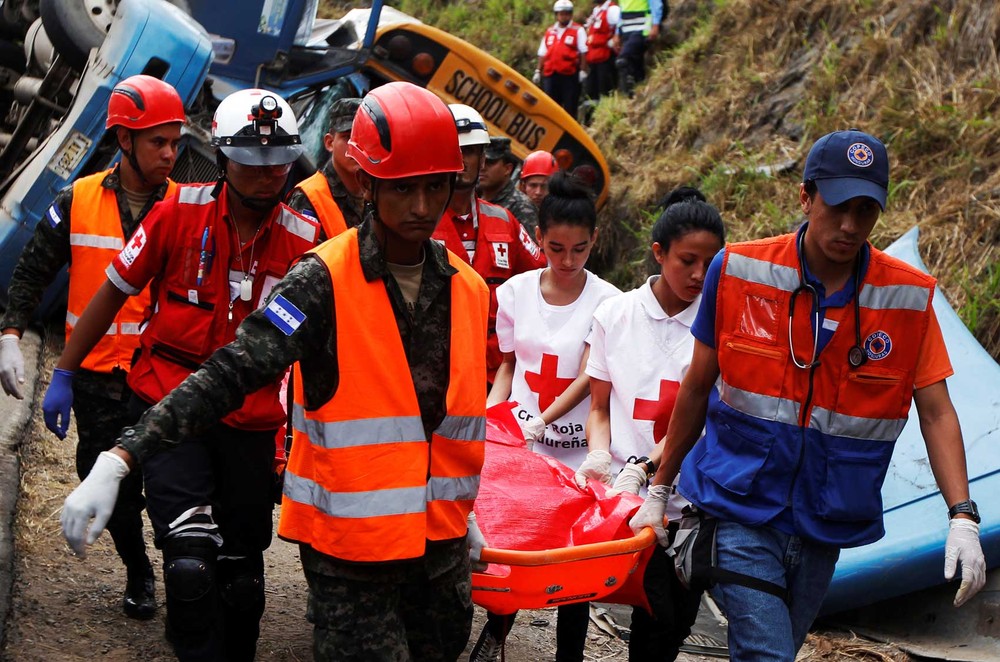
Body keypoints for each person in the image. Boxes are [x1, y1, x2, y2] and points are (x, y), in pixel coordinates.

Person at [58, 81, 490, 662]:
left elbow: (451, 423)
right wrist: (122, 456)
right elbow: (230, 372)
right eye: (403, 188)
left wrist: (465, 517)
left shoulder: (469, 290)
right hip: (353, 559)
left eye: (435, 187)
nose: (420, 207)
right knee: (201, 571)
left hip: (439, 562)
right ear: (365, 182)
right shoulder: (323, 280)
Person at [629, 130, 987, 661]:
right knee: (768, 656)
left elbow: (936, 413)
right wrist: (659, 487)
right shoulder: (738, 272)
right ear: (806, 197)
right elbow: (698, 386)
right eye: (837, 206)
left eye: (865, 211)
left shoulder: (907, 298)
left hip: (828, 519)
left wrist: (962, 516)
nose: (849, 225)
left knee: (776, 651)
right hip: (740, 509)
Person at [46, 88, 320, 661]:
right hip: (171, 414)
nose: (268, 174)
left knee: (242, 578)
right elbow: (112, 291)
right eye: (251, 159)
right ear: (222, 156)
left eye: (278, 161)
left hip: (251, 424)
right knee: (191, 564)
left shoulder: (306, 243)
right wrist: (65, 371)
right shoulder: (178, 211)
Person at [0, 74, 185, 620]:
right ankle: (139, 572)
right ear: (125, 140)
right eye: (159, 142)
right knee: (108, 483)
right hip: (98, 376)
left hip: (163, 373)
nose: (171, 154)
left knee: (172, 484)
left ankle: (186, 579)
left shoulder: (190, 207)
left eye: (176, 142)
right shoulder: (76, 200)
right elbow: (32, 272)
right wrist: (11, 334)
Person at [472, 171, 621, 662]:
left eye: (579, 249)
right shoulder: (513, 292)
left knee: (575, 560)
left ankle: (569, 656)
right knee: (518, 544)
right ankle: (494, 636)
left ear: (593, 241)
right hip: (525, 449)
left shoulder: (608, 302)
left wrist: (543, 421)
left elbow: (587, 376)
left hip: (577, 451)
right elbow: (510, 364)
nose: (567, 261)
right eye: (556, 248)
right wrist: (498, 417)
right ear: (539, 239)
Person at [586, 188, 725, 660]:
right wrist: (600, 455)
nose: (699, 274)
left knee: (668, 622)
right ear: (659, 253)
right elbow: (600, 406)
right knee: (584, 598)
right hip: (619, 499)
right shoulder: (615, 315)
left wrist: (647, 466)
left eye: (710, 263)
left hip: (684, 502)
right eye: (687, 260)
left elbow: (700, 417)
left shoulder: (721, 328)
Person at [435, 107, 546, 386]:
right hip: (438, 371)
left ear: (483, 160)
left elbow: (544, 278)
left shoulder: (504, 220)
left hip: (497, 374)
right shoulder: (418, 223)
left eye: (470, 152)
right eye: (454, 149)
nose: (461, 160)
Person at [286, 97, 364, 239]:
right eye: (347, 137)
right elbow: (296, 257)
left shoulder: (378, 191)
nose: (356, 145)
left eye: (364, 137)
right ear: (329, 143)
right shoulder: (308, 197)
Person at [535, 0, 589, 118]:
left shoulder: (577, 30)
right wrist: (538, 71)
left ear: (570, 14)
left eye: (566, 13)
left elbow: (583, 51)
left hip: (569, 75)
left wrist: (583, 70)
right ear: (556, 15)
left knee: (570, 106)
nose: (564, 16)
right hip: (551, 74)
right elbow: (543, 52)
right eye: (561, 14)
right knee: (551, 107)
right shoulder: (550, 31)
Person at [478, 136, 539, 235]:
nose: (482, 167)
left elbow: (531, 249)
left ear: (508, 169)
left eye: (490, 163)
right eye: (481, 162)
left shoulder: (521, 207)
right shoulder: (472, 195)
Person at [614, 0, 664, 96]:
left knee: (622, 60)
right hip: (626, 31)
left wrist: (655, 25)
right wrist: (617, 33)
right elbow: (621, 12)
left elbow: (656, 5)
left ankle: (627, 94)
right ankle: (637, 93)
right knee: (636, 65)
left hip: (642, 29)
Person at [584, 0, 620, 100]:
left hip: (606, 56)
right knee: (591, 91)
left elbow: (620, 24)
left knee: (605, 90)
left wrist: (614, 39)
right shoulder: (596, 11)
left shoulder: (612, 9)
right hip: (593, 57)